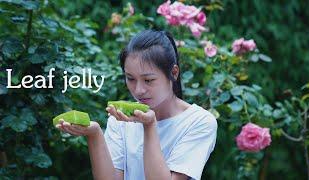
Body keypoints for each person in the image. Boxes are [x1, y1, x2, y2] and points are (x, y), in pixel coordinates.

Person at [56, 29, 218, 180]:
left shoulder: (199, 122)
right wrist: (94, 134)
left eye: (148, 80)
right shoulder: (121, 119)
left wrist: (149, 126)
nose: (139, 90)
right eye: (130, 78)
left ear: (174, 73)